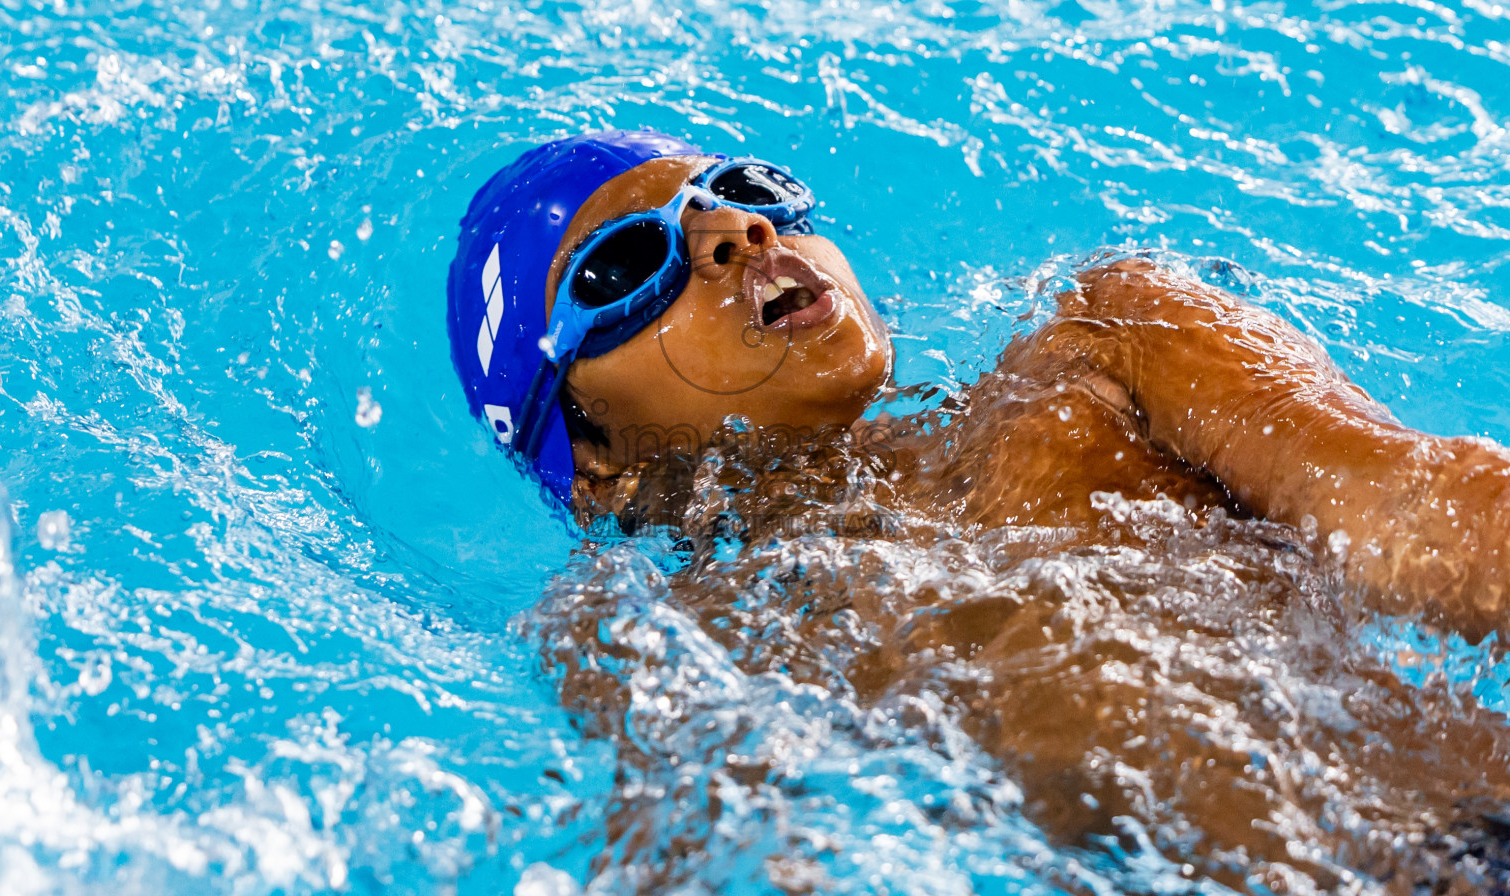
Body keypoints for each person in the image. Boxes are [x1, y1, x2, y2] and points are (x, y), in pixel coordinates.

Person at [447, 129, 1510, 891]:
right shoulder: (655, 630)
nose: (733, 232)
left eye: (742, 188)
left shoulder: (1104, 346)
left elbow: (1430, 509)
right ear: (590, 462)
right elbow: (698, 854)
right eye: (627, 264)